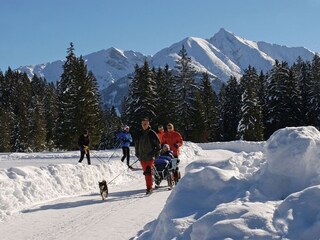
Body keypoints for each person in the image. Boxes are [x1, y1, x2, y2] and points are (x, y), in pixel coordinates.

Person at [135, 117, 161, 195]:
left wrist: (156, 154)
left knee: (147, 171)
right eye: (143, 124)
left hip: (150, 156)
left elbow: (158, 145)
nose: (144, 125)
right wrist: (137, 153)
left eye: (145, 124)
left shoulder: (152, 133)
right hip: (142, 157)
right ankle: (151, 180)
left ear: (148, 124)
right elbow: (136, 144)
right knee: (146, 172)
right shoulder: (139, 133)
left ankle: (149, 188)